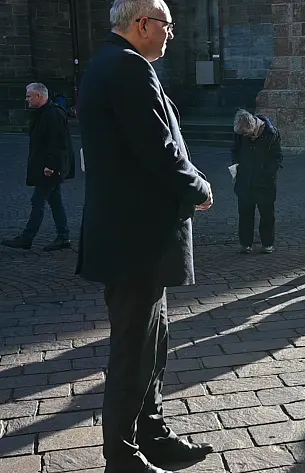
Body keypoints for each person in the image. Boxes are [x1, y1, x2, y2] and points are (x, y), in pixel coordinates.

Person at [76, 1, 214, 472]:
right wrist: (199, 186)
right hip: (135, 237)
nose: (171, 34)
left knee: (153, 343)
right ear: (141, 24)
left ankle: (151, 434)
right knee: (134, 349)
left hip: (136, 236)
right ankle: (123, 455)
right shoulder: (127, 69)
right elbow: (159, 150)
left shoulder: (112, 64)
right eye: (167, 25)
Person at [1, 83, 74, 252]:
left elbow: (58, 143)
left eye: (29, 96)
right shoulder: (45, 113)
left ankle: (27, 237)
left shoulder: (52, 114)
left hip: (50, 168)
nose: (26, 99)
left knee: (38, 201)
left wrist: (51, 165)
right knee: (55, 201)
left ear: (39, 97)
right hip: (49, 167)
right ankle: (63, 236)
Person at [231, 109, 283, 254]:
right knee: (245, 213)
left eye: (247, 134)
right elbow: (234, 150)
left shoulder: (271, 134)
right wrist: (235, 165)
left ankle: (267, 243)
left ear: (253, 127)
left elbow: (277, 157)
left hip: (264, 182)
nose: (246, 136)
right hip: (244, 180)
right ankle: (245, 243)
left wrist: (267, 173)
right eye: (243, 135)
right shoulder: (241, 133)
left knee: (267, 214)